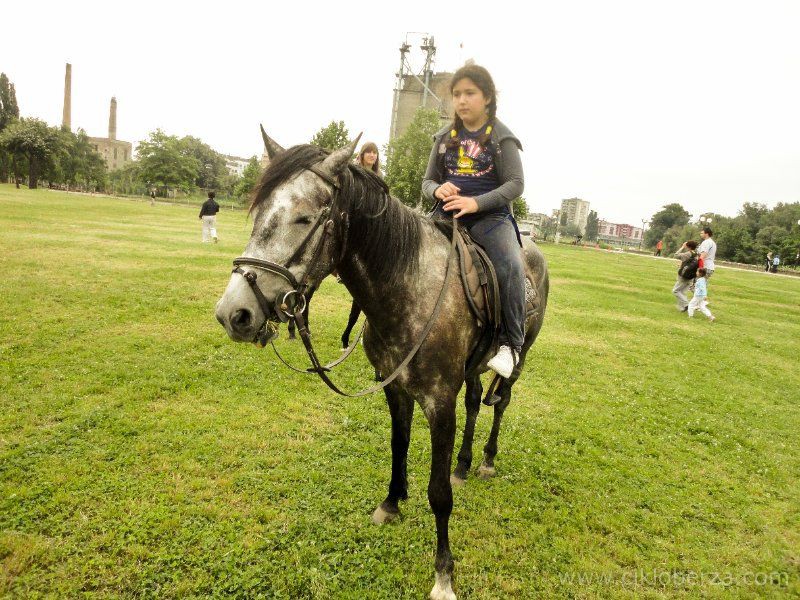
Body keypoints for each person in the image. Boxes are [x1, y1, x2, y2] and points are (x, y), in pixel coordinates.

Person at [422, 63, 525, 379]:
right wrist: (438, 189)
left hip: (490, 219)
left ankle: (510, 345)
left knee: (511, 265)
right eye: (456, 94)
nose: (462, 100)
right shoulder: (443, 138)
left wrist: (476, 202)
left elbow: (515, 184)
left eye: (470, 93)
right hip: (445, 216)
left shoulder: (502, 138)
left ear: (488, 97)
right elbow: (427, 183)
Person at [673, 240, 699, 312]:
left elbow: (676, 255)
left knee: (675, 291)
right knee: (682, 292)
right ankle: (683, 307)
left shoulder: (688, 254)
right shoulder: (696, 254)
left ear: (688, 246)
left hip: (684, 276)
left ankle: (687, 305)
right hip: (691, 276)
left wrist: (682, 247)